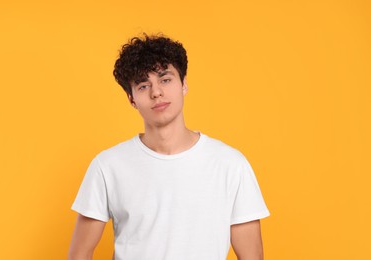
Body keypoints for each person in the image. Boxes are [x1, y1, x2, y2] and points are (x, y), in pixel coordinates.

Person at [68, 33, 270, 260]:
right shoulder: (107, 166)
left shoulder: (231, 165)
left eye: (165, 80)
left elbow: (252, 255)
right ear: (131, 98)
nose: (156, 92)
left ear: (183, 84)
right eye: (143, 86)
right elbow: (79, 253)